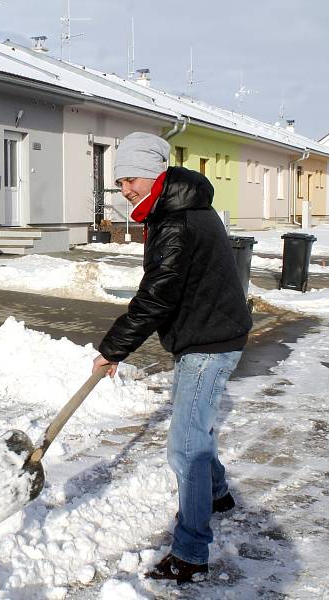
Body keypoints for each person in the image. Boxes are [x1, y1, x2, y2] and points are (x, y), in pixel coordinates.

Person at [92, 132, 252, 584]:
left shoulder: (177, 220)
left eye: (131, 179)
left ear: (156, 173)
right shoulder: (181, 207)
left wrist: (113, 349)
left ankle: (190, 554)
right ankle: (218, 495)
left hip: (208, 340)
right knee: (196, 429)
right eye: (120, 181)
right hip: (209, 333)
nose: (125, 190)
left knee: (185, 446)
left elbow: (158, 296)